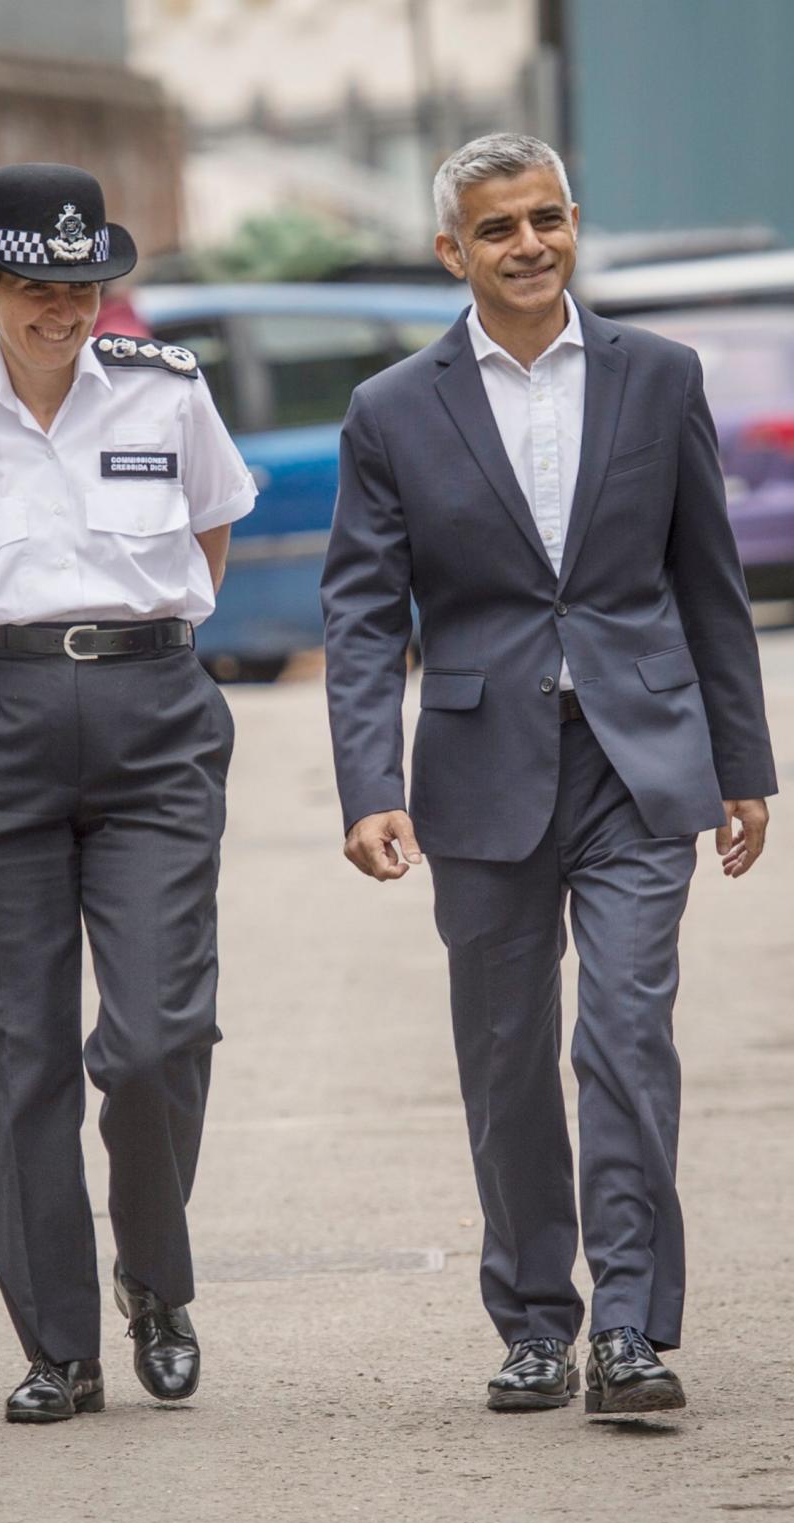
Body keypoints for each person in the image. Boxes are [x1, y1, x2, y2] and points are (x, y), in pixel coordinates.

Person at [320, 134, 776, 1416]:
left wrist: (743, 762)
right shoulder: (392, 409)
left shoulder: (657, 375)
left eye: (546, 218)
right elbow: (362, 615)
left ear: (574, 222)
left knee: (627, 1037)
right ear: (450, 251)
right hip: (478, 771)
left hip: (640, 761)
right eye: (498, 227)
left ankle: (631, 1326)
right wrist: (368, 781)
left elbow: (708, 584)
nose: (529, 244)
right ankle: (533, 1320)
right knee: (507, 1054)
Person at [0, 163, 256, 1422]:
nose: (64, 307)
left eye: (84, 283)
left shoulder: (169, 393)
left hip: (153, 719)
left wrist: (123, 654)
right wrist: (19, 679)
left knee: (156, 1037)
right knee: (13, 1052)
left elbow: (210, 534)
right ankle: (58, 1346)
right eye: (36, 285)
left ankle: (154, 1275)